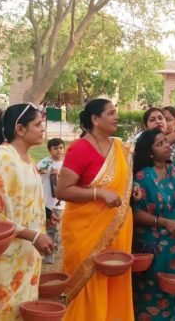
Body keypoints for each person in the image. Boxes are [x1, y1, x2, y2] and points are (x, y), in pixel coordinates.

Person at [55, 99, 135, 320]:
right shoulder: (80, 148)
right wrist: (99, 194)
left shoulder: (118, 147)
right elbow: (62, 191)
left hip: (118, 231)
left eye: (116, 112)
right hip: (86, 233)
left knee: (114, 284)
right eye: (111, 113)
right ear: (95, 119)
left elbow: (120, 183)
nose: (116, 117)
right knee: (89, 286)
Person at [0, 103, 56, 320]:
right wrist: (33, 235)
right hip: (4, 259)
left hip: (26, 255)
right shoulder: (2, 160)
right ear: (20, 129)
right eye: (38, 124)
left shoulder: (26, 160)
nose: (43, 129)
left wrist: (46, 218)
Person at [131, 129, 175, 320]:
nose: (167, 145)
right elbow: (136, 213)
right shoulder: (142, 177)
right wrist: (163, 221)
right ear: (149, 151)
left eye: (166, 141)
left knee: (171, 289)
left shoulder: (174, 170)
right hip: (151, 246)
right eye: (160, 143)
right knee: (150, 291)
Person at [38, 137, 66, 264]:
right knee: (50, 227)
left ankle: (54, 248)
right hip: (47, 202)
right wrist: (42, 171)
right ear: (49, 150)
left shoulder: (66, 163)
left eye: (61, 148)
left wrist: (59, 174)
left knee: (56, 228)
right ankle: (49, 253)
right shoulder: (46, 162)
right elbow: (37, 171)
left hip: (61, 204)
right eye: (55, 148)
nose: (59, 151)